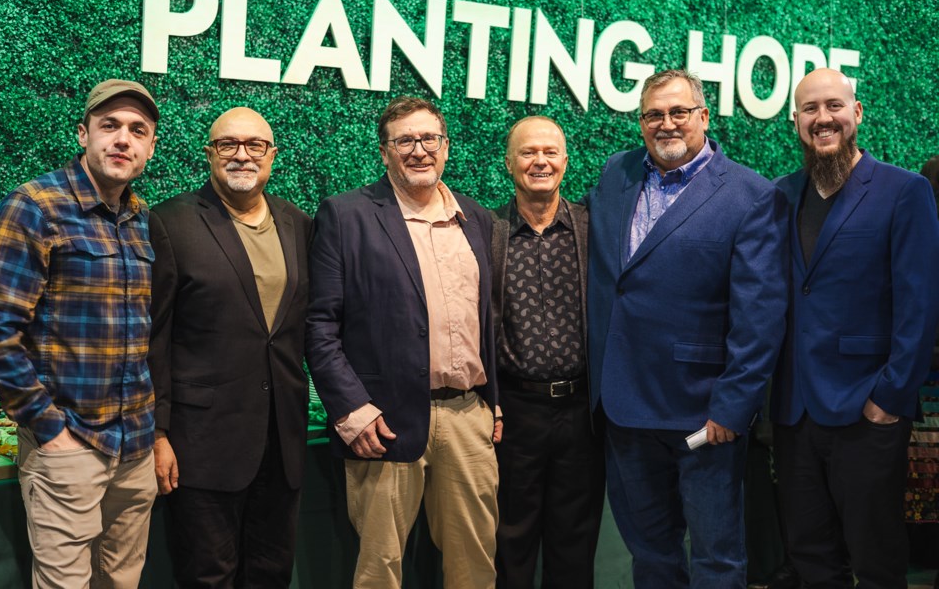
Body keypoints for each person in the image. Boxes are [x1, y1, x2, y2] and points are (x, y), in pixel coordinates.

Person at [586, 69, 789, 588]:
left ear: (703, 116)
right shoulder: (617, 173)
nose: (667, 124)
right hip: (625, 409)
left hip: (703, 414)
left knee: (717, 558)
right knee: (650, 553)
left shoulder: (750, 194)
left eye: (679, 112)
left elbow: (759, 315)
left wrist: (734, 405)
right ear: (640, 123)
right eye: (654, 114)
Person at [305, 96, 501, 588]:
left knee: (475, 564)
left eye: (428, 138)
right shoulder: (346, 215)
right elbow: (319, 325)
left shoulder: (476, 219)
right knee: (380, 569)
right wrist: (351, 410)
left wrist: (491, 401)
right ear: (385, 151)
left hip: (466, 419)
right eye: (405, 141)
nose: (419, 150)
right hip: (383, 423)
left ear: (446, 147)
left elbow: (489, 318)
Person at [0, 79, 160, 588]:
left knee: (123, 581)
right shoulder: (34, 205)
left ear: (150, 146)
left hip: (135, 448)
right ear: (84, 134)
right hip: (70, 444)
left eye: (137, 130)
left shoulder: (142, 218)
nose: (122, 139)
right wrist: (49, 429)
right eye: (110, 127)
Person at [771, 68, 939, 589]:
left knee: (877, 559)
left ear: (857, 113)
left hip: (868, 411)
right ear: (796, 120)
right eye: (809, 109)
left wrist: (890, 397)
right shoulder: (781, 194)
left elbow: (921, 304)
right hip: (793, 412)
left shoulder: (905, 191)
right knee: (811, 556)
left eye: (833, 106)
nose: (822, 119)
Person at [148, 108, 312, 588]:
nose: (242, 155)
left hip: (282, 441)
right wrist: (158, 433)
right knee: (207, 576)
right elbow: (153, 338)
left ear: (272, 156)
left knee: (271, 573)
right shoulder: (170, 222)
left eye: (255, 145)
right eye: (228, 145)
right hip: (201, 443)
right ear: (210, 154)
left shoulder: (298, 223)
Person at [490, 116, 604, 588]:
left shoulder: (594, 228)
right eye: (528, 152)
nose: (540, 162)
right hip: (513, 412)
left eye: (550, 153)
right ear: (508, 162)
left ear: (565, 162)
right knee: (508, 541)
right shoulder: (488, 232)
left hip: (582, 412)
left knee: (574, 543)